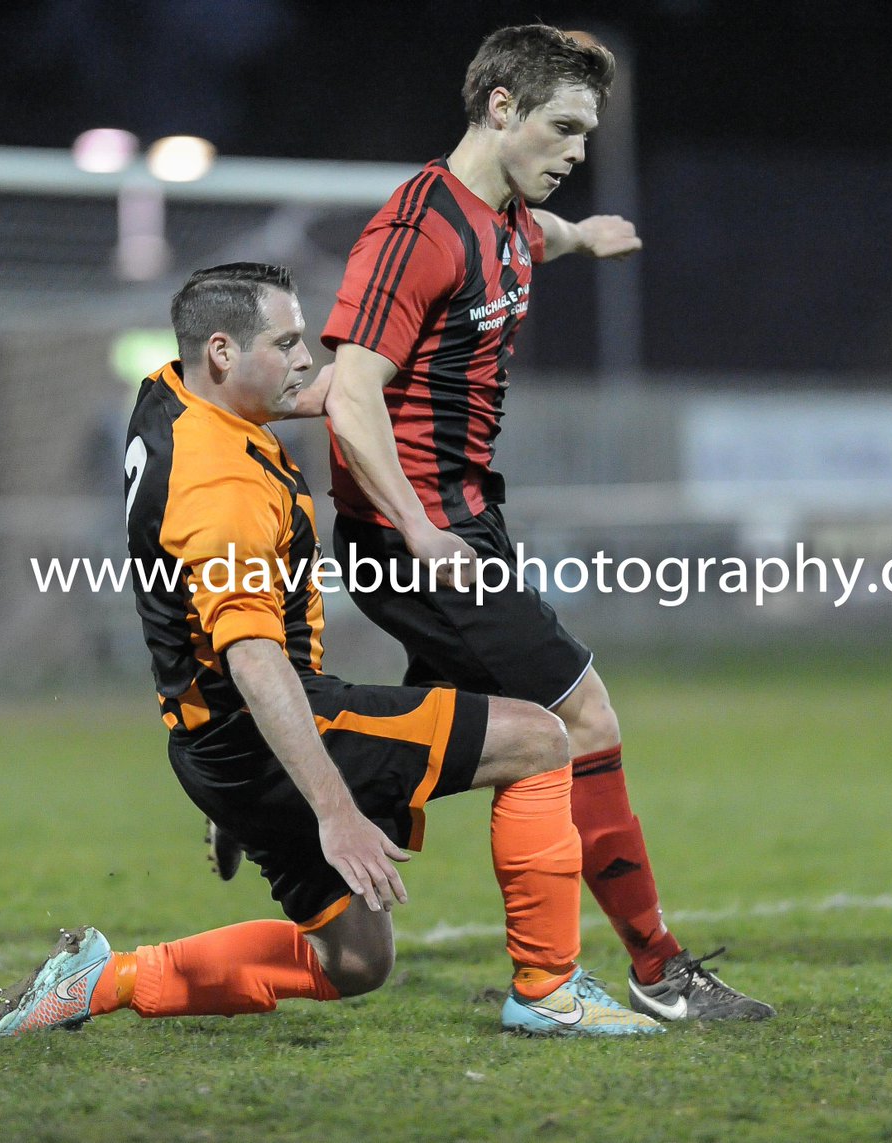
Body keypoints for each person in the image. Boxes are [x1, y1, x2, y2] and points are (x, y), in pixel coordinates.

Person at [0, 263, 660, 1039]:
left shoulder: (172, 392)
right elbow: (256, 663)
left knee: (356, 961)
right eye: (289, 341)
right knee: (540, 737)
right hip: (264, 723)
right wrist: (334, 810)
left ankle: (102, 979)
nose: (307, 359)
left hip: (212, 746)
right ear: (225, 353)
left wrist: (382, 371)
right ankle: (549, 992)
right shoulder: (219, 488)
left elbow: (314, 392)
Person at [290, 26, 775, 1022]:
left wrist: (584, 234)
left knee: (468, 741)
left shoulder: (508, 217)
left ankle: (303, 779)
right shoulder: (417, 226)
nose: (575, 150)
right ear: (501, 107)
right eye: (563, 127)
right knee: (582, 717)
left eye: (587, 136)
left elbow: (533, 244)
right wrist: (421, 535)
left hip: (467, 528)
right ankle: (656, 972)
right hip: (418, 541)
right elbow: (354, 394)